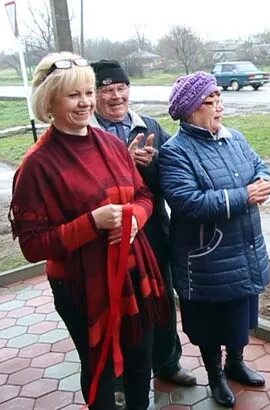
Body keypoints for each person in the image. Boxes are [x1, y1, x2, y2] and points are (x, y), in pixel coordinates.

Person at [9, 52, 170, 410]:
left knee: (140, 358)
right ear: (49, 100)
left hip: (132, 272)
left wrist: (134, 221)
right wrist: (92, 223)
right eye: (73, 95)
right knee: (99, 365)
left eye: (87, 93)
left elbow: (143, 194)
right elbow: (33, 246)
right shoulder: (37, 165)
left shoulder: (112, 145)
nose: (85, 102)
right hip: (80, 285)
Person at [159, 71, 270, 408]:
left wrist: (264, 181)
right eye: (209, 102)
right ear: (189, 110)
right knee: (210, 324)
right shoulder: (176, 152)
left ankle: (235, 363)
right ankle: (215, 376)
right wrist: (244, 196)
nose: (218, 107)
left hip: (244, 249)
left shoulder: (234, 137)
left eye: (219, 99)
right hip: (205, 258)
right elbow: (188, 201)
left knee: (241, 314)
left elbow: (259, 165)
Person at [90, 59, 196, 388]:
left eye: (121, 88)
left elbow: (170, 181)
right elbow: (88, 190)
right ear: (93, 96)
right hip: (108, 239)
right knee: (118, 309)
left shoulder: (148, 125)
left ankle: (167, 363)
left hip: (151, 232)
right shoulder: (88, 133)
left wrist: (151, 165)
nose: (116, 96)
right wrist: (122, 161)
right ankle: (121, 380)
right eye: (107, 90)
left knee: (161, 301)